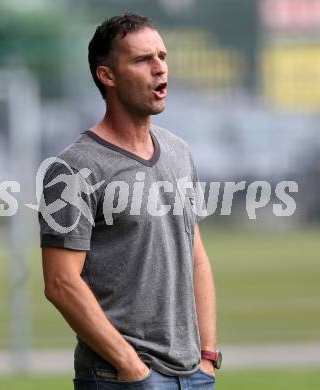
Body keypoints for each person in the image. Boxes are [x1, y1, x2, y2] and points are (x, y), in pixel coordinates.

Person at [39, 12, 221, 390]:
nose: (159, 69)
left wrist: (207, 355)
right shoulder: (73, 168)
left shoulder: (178, 152)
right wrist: (131, 367)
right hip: (120, 377)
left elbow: (196, 254)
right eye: (142, 60)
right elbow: (60, 282)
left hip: (193, 376)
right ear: (107, 76)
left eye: (162, 57)